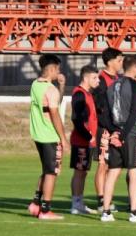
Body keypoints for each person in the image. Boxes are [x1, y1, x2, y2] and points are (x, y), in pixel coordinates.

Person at [101, 54, 136, 223]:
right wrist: (122, 136)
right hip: (131, 134)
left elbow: (104, 115)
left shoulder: (112, 86)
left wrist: (114, 132)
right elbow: (134, 114)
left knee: (113, 172)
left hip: (115, 133)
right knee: (134, 172)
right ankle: (135, 212)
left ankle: (106, 211)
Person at [26, 54, 70, 220]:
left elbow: (54, 102)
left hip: (38, 134)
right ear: (52, 69)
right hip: (50, 136)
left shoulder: (35, 85)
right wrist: (64, 139)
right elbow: (55, 114)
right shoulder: (50, 90)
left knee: (46, 170)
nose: (59, 71)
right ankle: (45, 210)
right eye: (57, 68)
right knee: (52, 173)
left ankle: (35, 203)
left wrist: (62, 86)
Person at [94, 47, 124, 210]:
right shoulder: (101, 79)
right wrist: (109, 126)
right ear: (110, 61)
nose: (121, 63)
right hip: (105, 128)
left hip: (117, 128)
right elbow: (100, 107)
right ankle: (101, 199)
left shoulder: (119, 79)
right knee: (103, 163)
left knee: (114, 165)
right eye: (119, 60)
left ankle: (107, 198)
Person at [69, 65, 101, 215]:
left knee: (83, 172)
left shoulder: (89, 94)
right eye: (95, 78)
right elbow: (76, 119)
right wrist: (88, 136)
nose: (98, 80)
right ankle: (75, 204)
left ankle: (79, 202)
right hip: (82, 140)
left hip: (88, 141)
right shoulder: (79, 94)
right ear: (86, 78)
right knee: (79, 172)